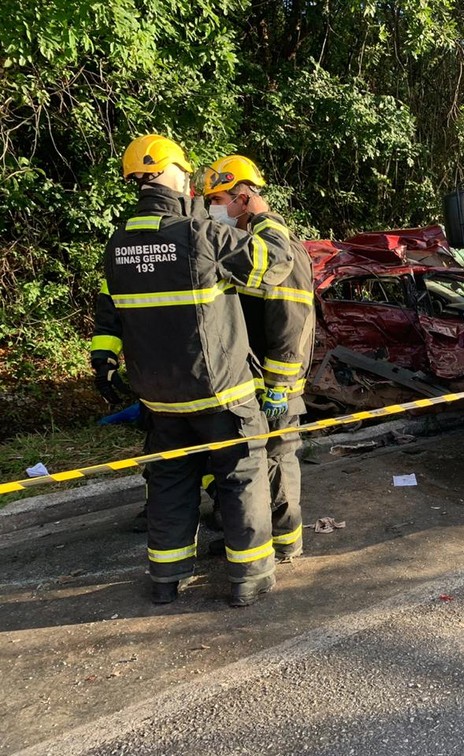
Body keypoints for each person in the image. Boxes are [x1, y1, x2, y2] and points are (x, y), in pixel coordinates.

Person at [90, 134, 293, 607]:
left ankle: (165, 578)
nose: (193, 184)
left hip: (160, 398)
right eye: (186, 173)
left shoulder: (117, 246)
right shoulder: (202, 237)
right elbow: (276, 264)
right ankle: (249, 578)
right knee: (242, 475)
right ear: (170, 174)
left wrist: (103, 362)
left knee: (170, 482)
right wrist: (262, 218)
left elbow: (109, 314)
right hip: (221, 390)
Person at [202, 155, 314, 561]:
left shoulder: (279, 249)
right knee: (255, 461)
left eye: (219, 199)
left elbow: (291, 319)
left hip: (275, 381)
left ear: (244, 199)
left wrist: (280, 386)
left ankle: (286, 544)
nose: (214, 209)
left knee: (278, 458)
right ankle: (258, 537)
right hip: (251, 379)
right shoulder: (249, 248)